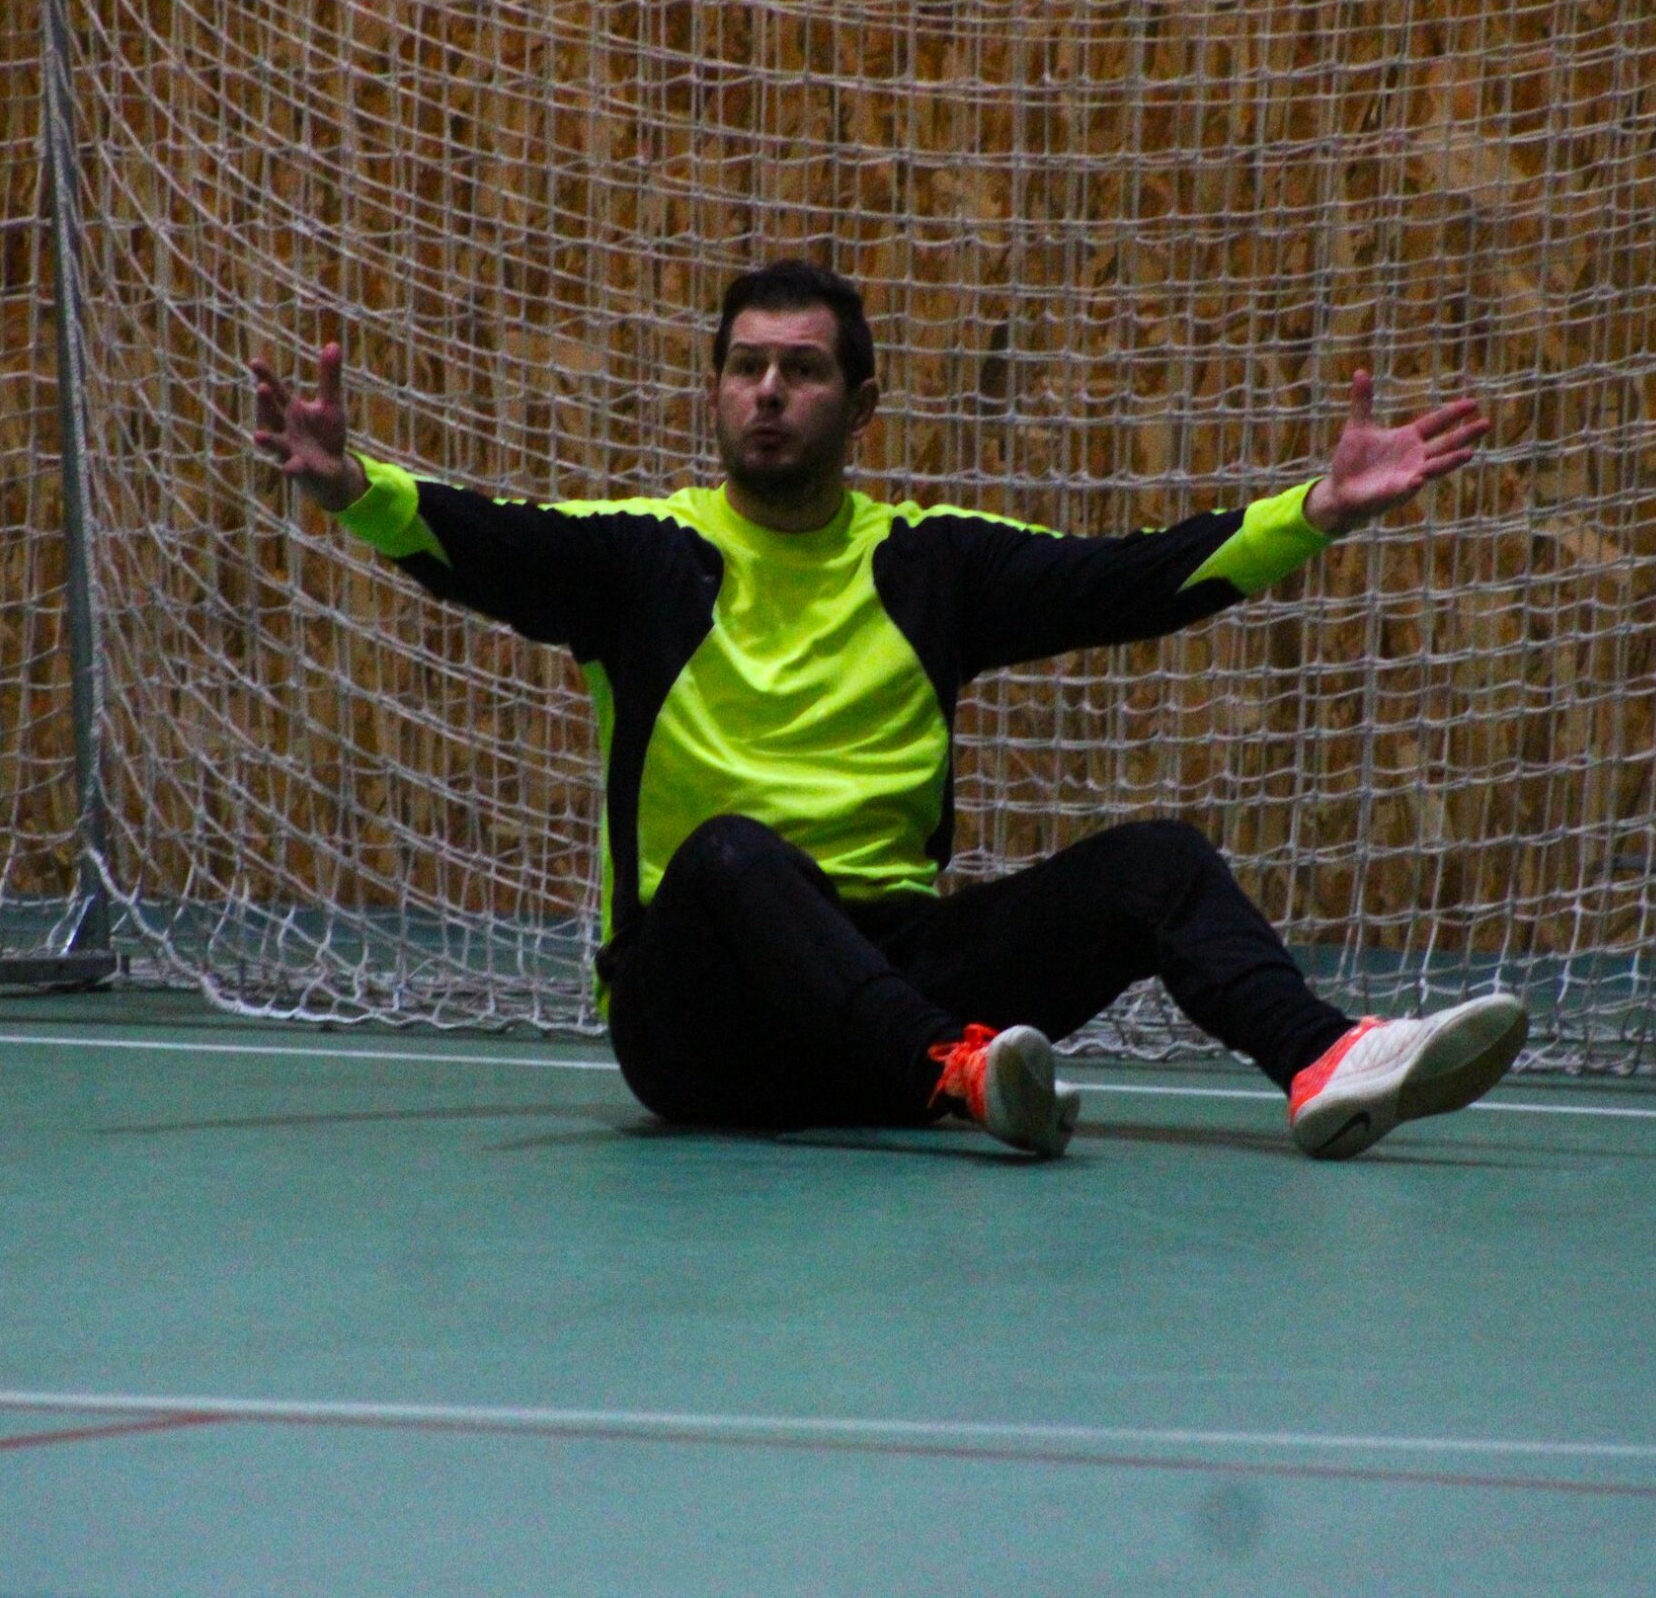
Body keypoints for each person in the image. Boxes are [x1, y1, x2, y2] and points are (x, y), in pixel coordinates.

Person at [251, 260, 1526, 1161]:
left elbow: (1130, 580)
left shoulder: (931, 563)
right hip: (701, 1033)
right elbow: (475, 538)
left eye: (801, 370)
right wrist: (352, 485)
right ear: (714, 393)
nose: (766, 390)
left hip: (893, 984)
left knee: (1158, 863)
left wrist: (1317, 511)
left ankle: (1320, 1061)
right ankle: (953, 1073)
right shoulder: (637, 556)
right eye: (744, 367)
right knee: (731, 854)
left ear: (860, 407)